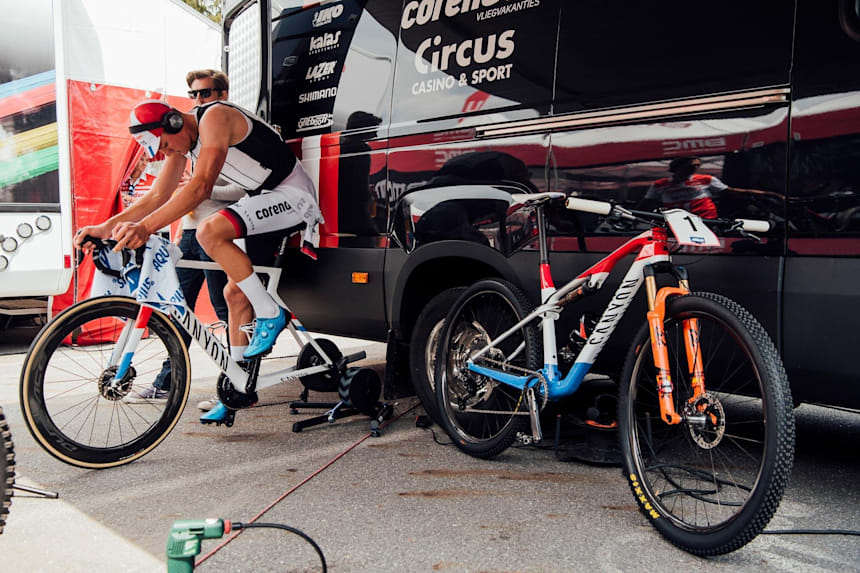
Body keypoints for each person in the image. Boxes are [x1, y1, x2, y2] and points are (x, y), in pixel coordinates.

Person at [75, 95, 323, 423]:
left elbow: (201, 186)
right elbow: (159, 194)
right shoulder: (183, 141)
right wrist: (105, 227)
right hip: (264, 199)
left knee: (210, 232)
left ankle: (271, 313)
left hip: (293, 196)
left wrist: (146, 228)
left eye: (165, 145)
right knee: (235, 295)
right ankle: (239, 389)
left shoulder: (214, 118)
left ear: (175, 122)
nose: (168, 153)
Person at [125, 70, 245, 409]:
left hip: (220, 230)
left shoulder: (226, 127)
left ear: (223, 91)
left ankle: (239, 377)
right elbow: (161, 194)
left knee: (228, 308)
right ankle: (167, 379)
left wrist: (200, 193)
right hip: (191, 233)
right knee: (178, 311)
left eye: (205, 93)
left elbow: (244, 187)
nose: (197, 100)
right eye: (192, 95)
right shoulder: (184, 137)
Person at [639, 156, 780, 219]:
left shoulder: (706, 179)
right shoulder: (660, 184)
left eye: (697, 166)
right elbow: (646, 204)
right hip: (677, 224)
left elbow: (732, 191)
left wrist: (767, 194)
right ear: (677, 167)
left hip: (706, 220)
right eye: (691, 166)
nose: (694, 169)